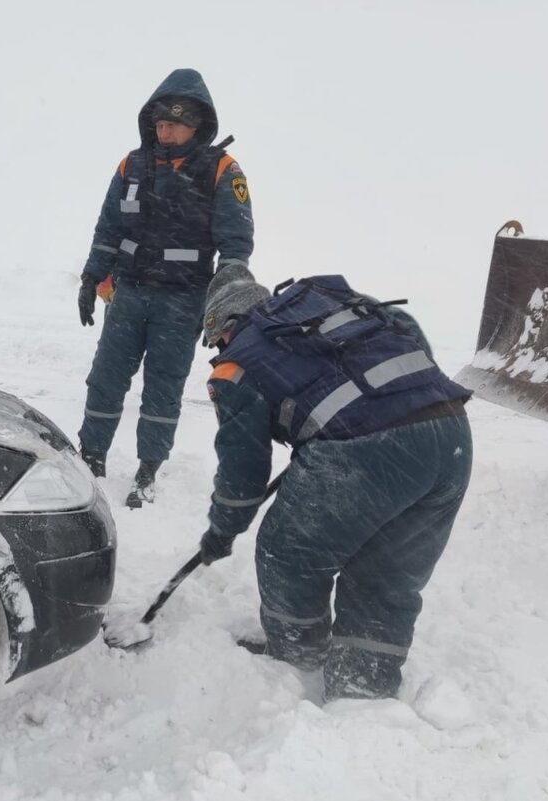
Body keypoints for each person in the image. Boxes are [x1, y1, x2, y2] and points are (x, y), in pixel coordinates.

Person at [195, 264, 474, 701]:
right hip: (450, 432)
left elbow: (243, 469)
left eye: (217, 341)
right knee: (386, 571)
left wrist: (222, 530)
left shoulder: (237, 365)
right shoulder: (327, 310)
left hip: (367, 449)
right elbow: (405, 326)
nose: (220, 349)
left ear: (226, 325)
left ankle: (296, 659)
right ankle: (365, 684)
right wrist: (402, 401)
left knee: (286, 550)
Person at [76, 68, 254, 509]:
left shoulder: (222, 170)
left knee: (164, 386)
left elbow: (236, 247)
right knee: (105, 379)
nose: (165, 130)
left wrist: (226, 306)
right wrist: (88, 277)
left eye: (174, 123)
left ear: (197, 125)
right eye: (159, 122)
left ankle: (147, 470)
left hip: (182, 299)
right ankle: (92, 458)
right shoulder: (130, 166)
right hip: (128, 293)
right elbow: (108, 228)